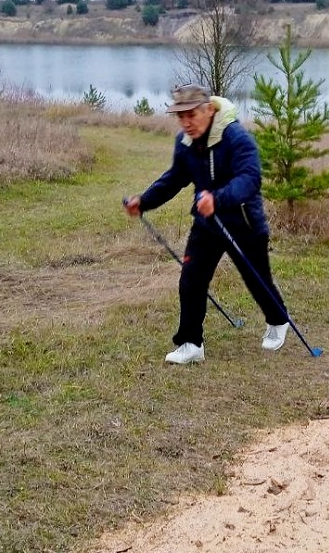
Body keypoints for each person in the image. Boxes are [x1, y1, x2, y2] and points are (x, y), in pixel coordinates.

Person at [123, 84, 289, 364]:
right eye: (180, 116)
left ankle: (278, 320)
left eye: (191, 115)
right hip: (206, 224)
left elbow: (250, 179)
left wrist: (218, 198)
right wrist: (145, 200)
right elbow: (175, 177)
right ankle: (191, 343)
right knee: (191, 279)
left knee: (256, 279)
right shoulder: (185, 143)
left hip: (244, 222)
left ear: (209, 109)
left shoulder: (236, 137)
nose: (186, 122)